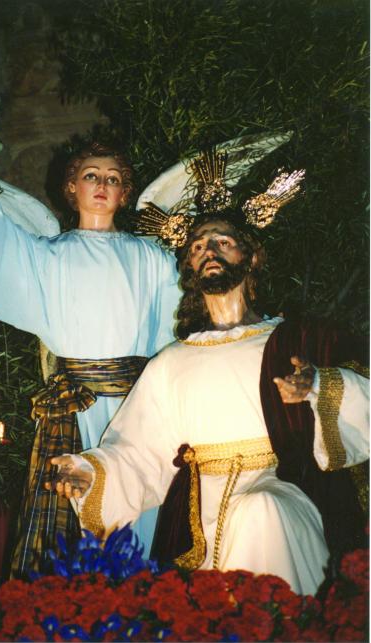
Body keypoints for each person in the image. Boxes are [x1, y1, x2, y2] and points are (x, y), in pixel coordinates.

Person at [49, 204, 368, 596]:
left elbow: (362, 393)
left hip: (281, 485)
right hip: (198, 513)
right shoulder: (171, 362)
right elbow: (138, 451)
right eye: (198, 247)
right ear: (189, 268)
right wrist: (90, 473)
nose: (209, 251)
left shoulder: (295, 340)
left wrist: (316, 385)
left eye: (222, 242)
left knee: (261, 511)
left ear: (251, 258)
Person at [0, 90, 181, 575]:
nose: (102, 185)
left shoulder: (153, 257)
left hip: (139, 413)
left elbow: (179, 326)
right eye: (91, 175)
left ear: (125, 193)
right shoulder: (46, 257)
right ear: (71, 187)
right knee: (74, 531)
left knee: (137, 523)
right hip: (75, 410)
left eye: (113, 179)